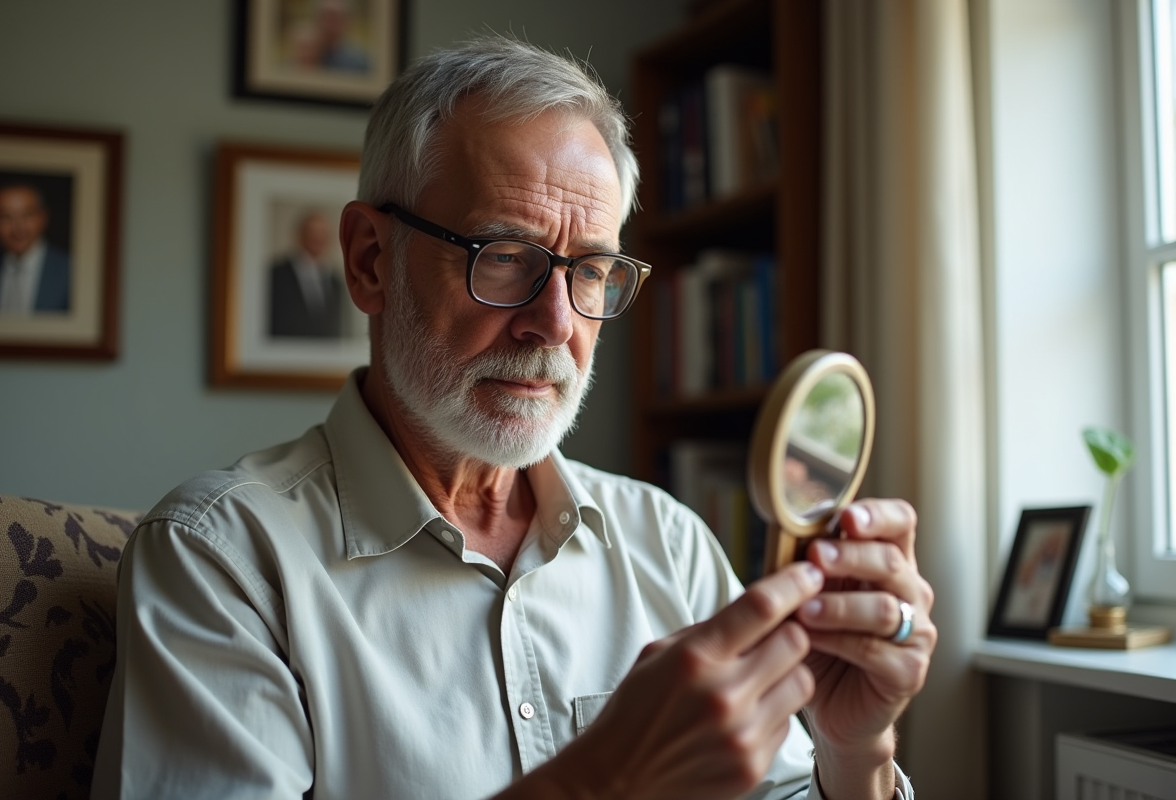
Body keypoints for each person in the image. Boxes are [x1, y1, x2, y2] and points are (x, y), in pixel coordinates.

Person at [91, 36, 936, 800]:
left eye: (592, 271)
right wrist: (603, 780)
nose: (558, 324)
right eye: (503, 258)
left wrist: (852, 752)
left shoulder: (667, 544)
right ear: (370, 260)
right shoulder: (222, 560)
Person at [0, 183, 71, 313]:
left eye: (28, 215)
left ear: (43, 217)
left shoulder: (71, 270)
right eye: (6, 217)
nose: (18, 228)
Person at [268, 209, 346, 338]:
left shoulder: (336, 282)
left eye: (323, 234)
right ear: (300, 235)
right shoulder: (275, 275)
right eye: (312, 233)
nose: (318, 239)